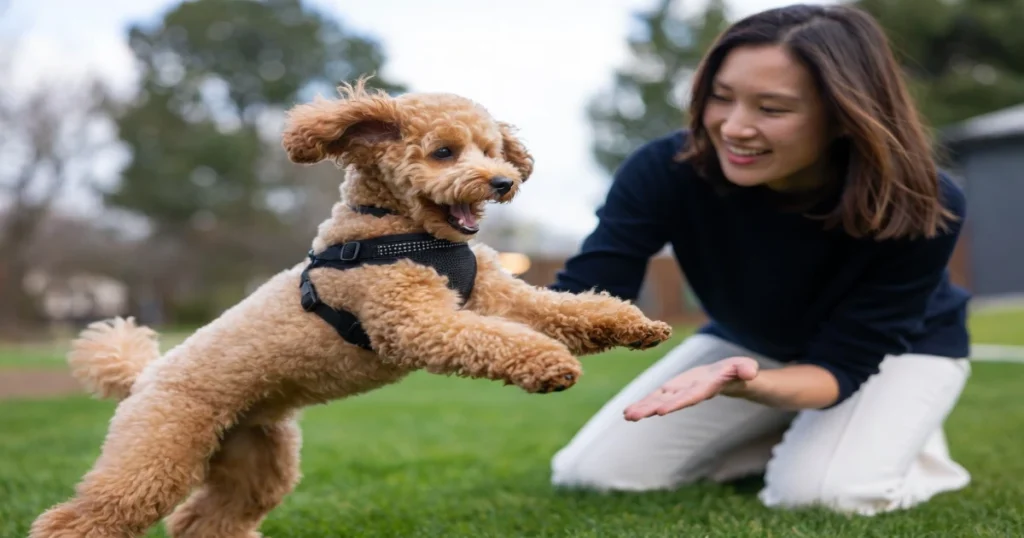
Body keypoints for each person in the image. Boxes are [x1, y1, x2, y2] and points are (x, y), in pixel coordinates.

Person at [547, 3, 973, 516]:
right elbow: (588, 293)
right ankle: (806, 438)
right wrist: (467, 297)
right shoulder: (665, 168)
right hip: (748, 345)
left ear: (844, 116)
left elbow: (840, 366)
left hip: (894, 353)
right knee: (592, 475)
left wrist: (752, 386)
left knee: (822, 496)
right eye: (721, 98)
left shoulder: (922, 200)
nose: (734, 127)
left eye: (771, 109)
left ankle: (901, 446)